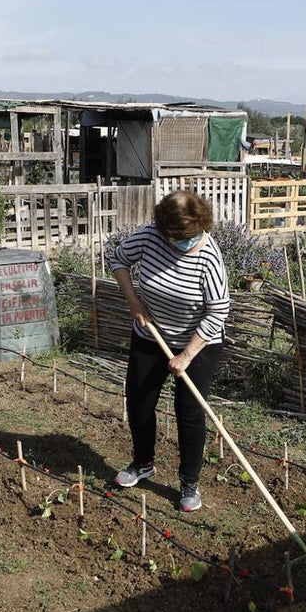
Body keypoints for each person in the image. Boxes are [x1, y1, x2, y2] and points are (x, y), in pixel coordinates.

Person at [107, 191, 230, 512]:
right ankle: (143, 463)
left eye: (190, 236)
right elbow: (118, 259)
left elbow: (218, 311)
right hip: (151, 334)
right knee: (139, 401)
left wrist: (186, 355)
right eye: (178, 237)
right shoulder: (151, 236)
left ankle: (189, 483)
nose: (185, 243)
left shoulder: (209, 258)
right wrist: (134, 303)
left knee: (189, 412)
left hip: (199, 343)